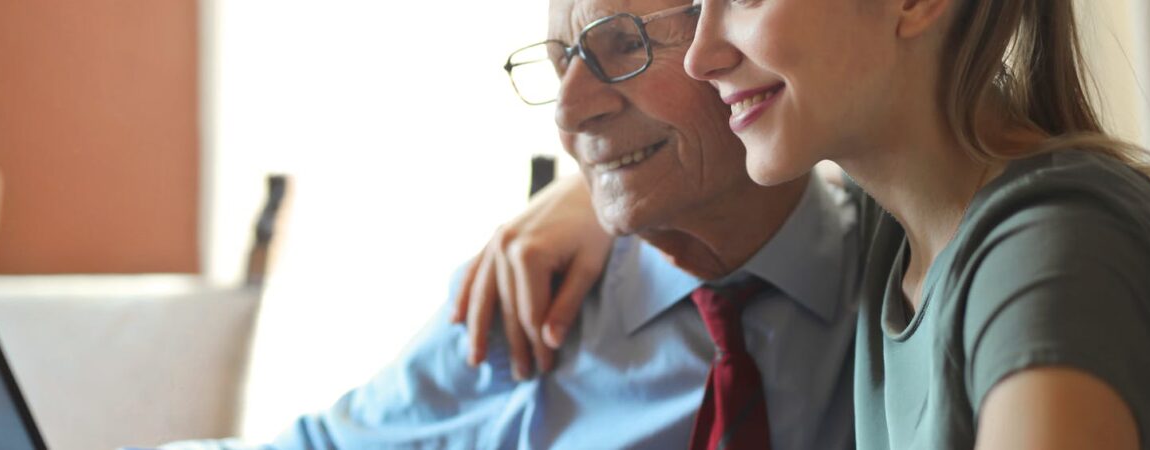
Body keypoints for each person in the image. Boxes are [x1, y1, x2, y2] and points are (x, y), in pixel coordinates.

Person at [458, 0, 1150, 449]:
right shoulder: (905, 235)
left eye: (737, 1)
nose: (704, 57)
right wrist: (604, 193)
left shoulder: (1052, 255)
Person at [163, 0, 860, 448]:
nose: (567, 111)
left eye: (622, 45)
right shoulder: (527, 295)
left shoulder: (898, 270)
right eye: (562, 63)